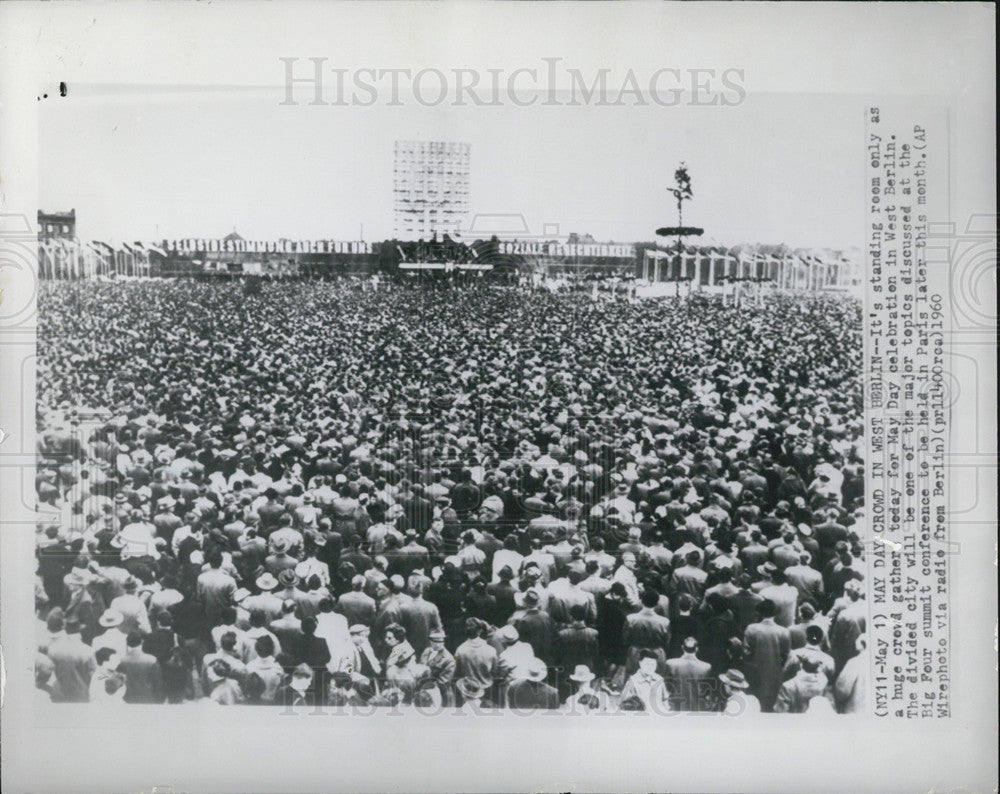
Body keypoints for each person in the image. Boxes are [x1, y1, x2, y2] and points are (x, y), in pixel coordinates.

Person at [743, 600, 791, 712]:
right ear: (775, 613)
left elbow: (746, 651)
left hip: (755, 670)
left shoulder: (751, 628)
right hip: (775, 671)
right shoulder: (784, 631)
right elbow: (786, 654)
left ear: (759, 612)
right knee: (771, 701)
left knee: (755, 701)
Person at [664, 637, 713, 712]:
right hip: (697, 709)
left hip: (676, 708)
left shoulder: (670, 664)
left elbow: (666, 687)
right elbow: (706, 691)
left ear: (682, 647)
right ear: (696, 649)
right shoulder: (706, 667)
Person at [118, 631, 163, 704]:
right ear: (142, 642)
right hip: (148, 697)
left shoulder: (121, 661)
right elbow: (157, 683)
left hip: (128, 699)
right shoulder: (152, 660)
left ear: (127, 643)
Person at [619, 649, 671, 713]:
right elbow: (624, 705)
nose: (650, 667)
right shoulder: (633, 681)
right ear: (640, 663)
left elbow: (665, 700)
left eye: (653, 664)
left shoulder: (659, 679)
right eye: (647, 664)